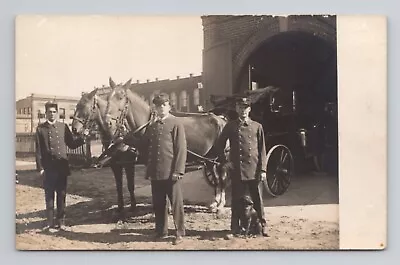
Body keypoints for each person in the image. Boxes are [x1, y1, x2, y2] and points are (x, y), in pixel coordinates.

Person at [218, 96, 269, 237]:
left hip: (254, 169)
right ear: (236, 109)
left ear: (250, 109)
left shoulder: (257, 126)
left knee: (257, 199)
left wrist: (263, 169)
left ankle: (263, 225)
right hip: (237, 170)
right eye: (240, 107)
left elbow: (262, 150)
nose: (243, 110)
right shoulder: (231, 126)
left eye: (246, 107)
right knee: (236, 200)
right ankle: (235, 227)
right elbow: (219, 145)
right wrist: (225, 162)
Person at [35, 101, 88, 231]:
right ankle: (49, 222)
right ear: (45, 113)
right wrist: (40, 168)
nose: (52, 114)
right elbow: (38, 151)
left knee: (62, 194)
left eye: (54, 112)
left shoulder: (63, 127)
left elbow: (72, 144)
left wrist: (83, 137)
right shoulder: (40, 129)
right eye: (49, 112)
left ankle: (61, 222)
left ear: (57, 113)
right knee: (49, 196)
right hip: (49, 168)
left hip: (62, 167)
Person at [144, 93, 187, 245]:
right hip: (156, 172)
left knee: (176, 203)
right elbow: (145, 145)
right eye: (158, 105)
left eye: (164, 105)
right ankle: (161, 231)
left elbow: (181, 148)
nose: (161, 107)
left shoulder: (176, 123)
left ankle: (180, 233)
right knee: (159, 203)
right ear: (154, 108)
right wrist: (125, 139)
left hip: (171, 173)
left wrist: (178, 170)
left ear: (169, 106)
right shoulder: (153, 125)